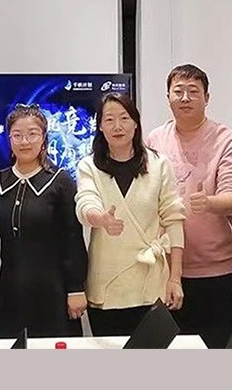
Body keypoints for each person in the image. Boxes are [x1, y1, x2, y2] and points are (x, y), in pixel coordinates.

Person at [146, 64, 232, 348]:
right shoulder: (155, 139)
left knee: (219, 350)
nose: (185, 98)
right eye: (178, 91)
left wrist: (210, 203)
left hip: (218, 272)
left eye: (193, 91)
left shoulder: (226, 140)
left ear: (207, 97)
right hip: (168, 272)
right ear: (168, 97)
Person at [0, 104, 88, 338]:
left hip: (54, 290)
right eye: (17, 135)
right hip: (11, 289)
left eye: (32, 134)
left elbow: (73, 238)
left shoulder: (60, 181)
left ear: (43, 138)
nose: (25, 141)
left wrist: (76, 288)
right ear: (9, 139)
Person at [75, 92, 185, 336]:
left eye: (124, 118)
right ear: (100, 126)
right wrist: (100, 219)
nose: (117, 126)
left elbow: (174, 219)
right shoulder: (89, 166)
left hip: (151, 283)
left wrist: (175, 279)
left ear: (136, 123)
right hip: (107, 285)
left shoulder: (159, 164)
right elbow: (85, 202)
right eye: (109, 119)